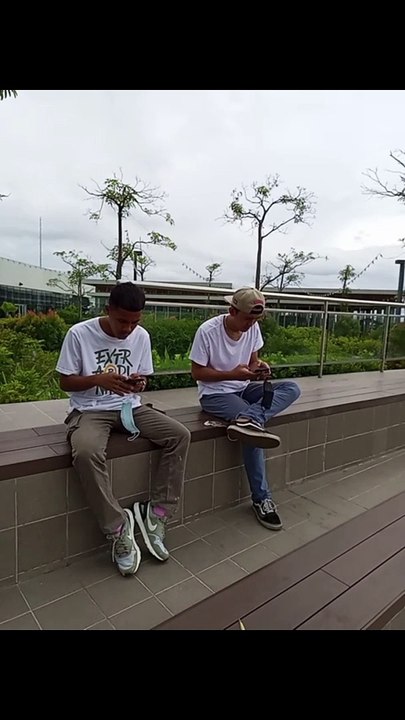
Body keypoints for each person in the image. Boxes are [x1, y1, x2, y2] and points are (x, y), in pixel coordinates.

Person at [56, 282, 191, 577]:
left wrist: (138, 384)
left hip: (130, 407)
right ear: (107, 310)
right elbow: (64, 381)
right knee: (86, 452)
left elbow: (143, 377)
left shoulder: (141, 336)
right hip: (91, 410)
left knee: (179, 435)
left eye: (134, 322)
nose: (128, 329)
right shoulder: (79, 334)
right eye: (122, 321)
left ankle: (157, 514)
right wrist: (97, 380)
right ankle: (117, 528)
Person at [189, 287, 300, 530]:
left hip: (244, 387)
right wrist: (232, 374)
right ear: (232, 311)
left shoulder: (253, 328)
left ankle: (250, 418)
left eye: (255, 320)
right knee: (252, 434)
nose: (251, 324)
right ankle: (261, 499)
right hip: (215, 394)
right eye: (247, 319)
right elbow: (197, 373)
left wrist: (259, 368)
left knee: (291, 388)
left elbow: (252, 362)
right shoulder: (208, 331)